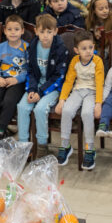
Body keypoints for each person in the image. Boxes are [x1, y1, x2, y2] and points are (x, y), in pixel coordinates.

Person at [16, 14, 70, 157]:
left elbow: (59, 77)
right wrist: (32, 90)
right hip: (36, 86)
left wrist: (41, 92)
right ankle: (23, 145)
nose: (45, 36)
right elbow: (30, 71)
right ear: (36, 31)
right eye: (42, 32)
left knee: (40, 109)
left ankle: (42, 145)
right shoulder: (32, 47)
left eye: (49, 32)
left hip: (52, 87)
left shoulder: (60, 49)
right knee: (22, 107)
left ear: (55, 31)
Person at [54, 30, 104, 170]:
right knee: (67, 111)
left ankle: (90, 148)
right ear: (76, 50)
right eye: (84, 49)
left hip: (92, 92)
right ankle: (65, 145)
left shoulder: (97, 61)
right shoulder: (75, 61)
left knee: (86, 114)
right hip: (78, 90)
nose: (88, 51)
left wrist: (98, 104)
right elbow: (69, 81)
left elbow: (100, 83)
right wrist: (62, 100)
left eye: (90, 48)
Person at [0, 15, 30, 144]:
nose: (13, 32)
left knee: (9, 100)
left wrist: (17, 79)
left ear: (22, 31)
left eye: (16, 29)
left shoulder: (28, 48)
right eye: (10, 29)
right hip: (1, 79)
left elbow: (30, 69)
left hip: (18, 81)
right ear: (5, 31)